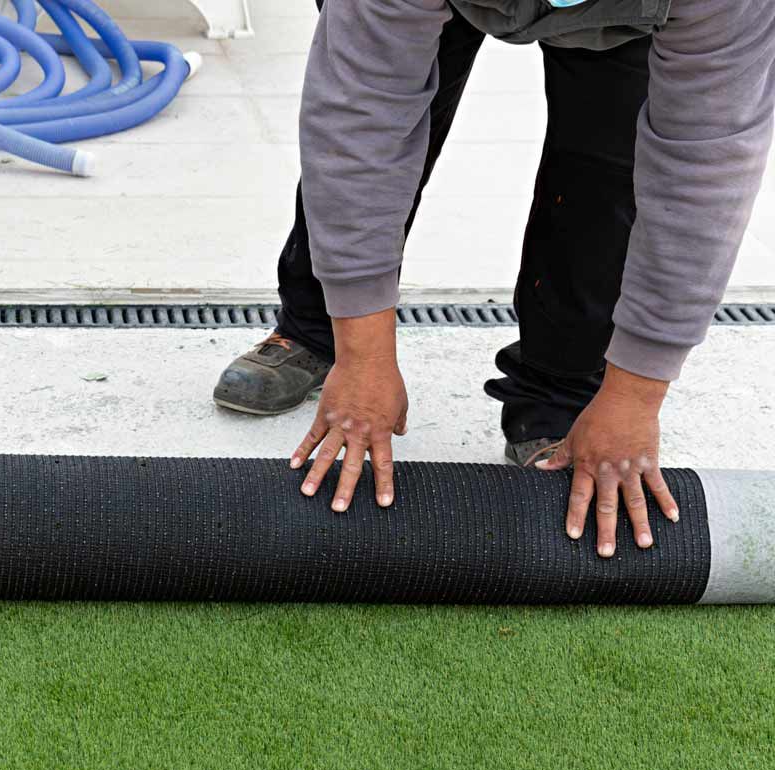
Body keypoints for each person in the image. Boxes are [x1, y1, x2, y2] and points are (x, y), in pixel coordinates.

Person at [211, 0, 775, 558]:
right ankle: (317, 330)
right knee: (385, 123)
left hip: (639, 15)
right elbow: (360, 126)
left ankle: (561, 387)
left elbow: (703, 173)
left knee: (607, 161)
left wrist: (634, 398)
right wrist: (364, 358)